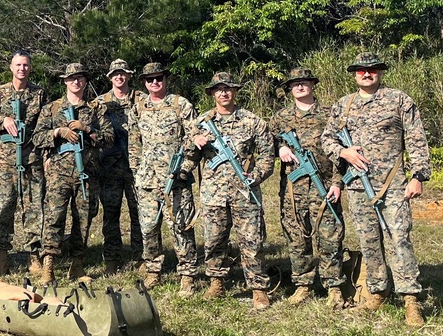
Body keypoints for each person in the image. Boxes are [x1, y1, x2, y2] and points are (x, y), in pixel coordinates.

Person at [320, 52, 431, 328]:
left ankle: (410, 299)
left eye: (371, 69)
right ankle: (378, 292)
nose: (366, 74)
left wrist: (418, 175)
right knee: (369, 241)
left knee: (398, 239)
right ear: (354, 74)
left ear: (380, 72)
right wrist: (343, 152)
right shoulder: (344, 105)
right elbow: (327, 139)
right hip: (357, 186)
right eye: (360, 70)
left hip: (392, 185)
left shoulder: (399, 99)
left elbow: (416, 137)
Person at [191, 72, 275, 307]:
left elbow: (268, 156)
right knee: (214, 240)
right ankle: (216, 281)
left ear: (235, 91)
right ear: (213, 93)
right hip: (213, 193)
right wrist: (195, 141)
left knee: (251, 241)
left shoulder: (253, 121)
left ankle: (258, 288)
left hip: (245, 192)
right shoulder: (201, 123)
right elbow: (187, 153)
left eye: (228, 88)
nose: (224, 92)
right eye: (219, 89)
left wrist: (255, 176)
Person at [268, 67, 346, 308]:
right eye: (295, 84)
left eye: (304, 82)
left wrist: (337, 183)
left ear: (312, 85)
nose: (300, 87)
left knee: (330, 236)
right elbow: (265, 144)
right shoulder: (280, 117)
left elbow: (340, 151)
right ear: (290, 89)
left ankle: (334, 287)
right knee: (296, 236)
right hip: (294, 189)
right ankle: (303, 285)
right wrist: (279, 148)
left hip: (323, 185)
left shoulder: (330, 113)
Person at [32, 63, 113, 285]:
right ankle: (49, 266)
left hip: (87, 173)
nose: (75, 82)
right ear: (65, 82)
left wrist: (87, 129)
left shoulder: (96, 109)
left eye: (80, 78)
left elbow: (108, 138)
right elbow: (37, 138)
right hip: (59, 172)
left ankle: (77, 265)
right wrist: (59, 132)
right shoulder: (52, 108)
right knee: (54, 217)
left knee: (84, 219)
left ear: (85, 81)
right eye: (71, 79)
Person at [128, 62, 199, 297]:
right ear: (144, 83)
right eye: (150, 80)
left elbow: (194, 139)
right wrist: (137, 171)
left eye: (159, 78)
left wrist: (186, 168)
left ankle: (187, 274)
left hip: (175, 179)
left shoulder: (181, 105)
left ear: (165, 79)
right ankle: (153, 270)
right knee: (148, 228)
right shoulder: (138, 109)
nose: (155, 82)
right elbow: (134, 143)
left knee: (181, 227)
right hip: (147, 181)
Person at [0, 50, 48, 276]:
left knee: (33, 208)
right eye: (18, 65)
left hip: (32, 159)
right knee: (5, 207)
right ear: (11, 67)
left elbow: (47, 121)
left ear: (30, 68)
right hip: (6, 161)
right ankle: (2, 257)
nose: (22, 69)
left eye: (26, 65)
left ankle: (34, 256)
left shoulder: (40, 94)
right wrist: (4, 119)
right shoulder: (0, 93)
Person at [95, 59, 143, 274]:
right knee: (111, 214)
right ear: (110, 77)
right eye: (115, 74)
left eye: (123, 73)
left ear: (129, 75)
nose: (119, 77)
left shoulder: (141, 99)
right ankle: (112, 259)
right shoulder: (99, 102)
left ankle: (142, 257)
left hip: (137, 167)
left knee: (140, 213)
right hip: (110, 167)